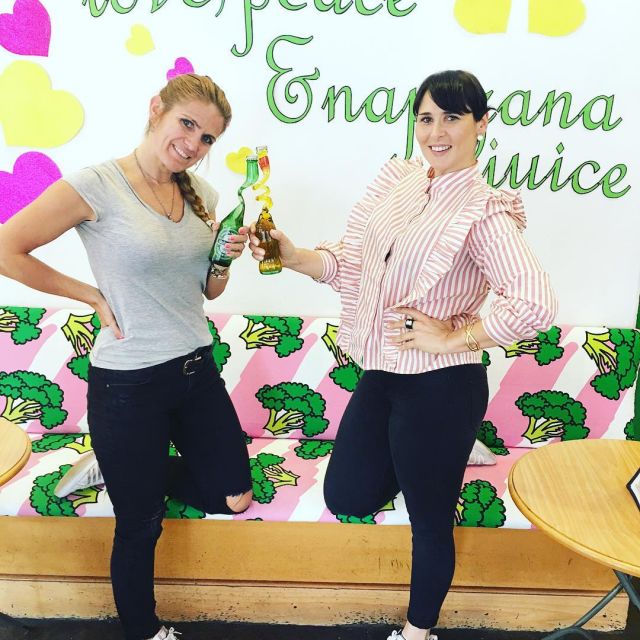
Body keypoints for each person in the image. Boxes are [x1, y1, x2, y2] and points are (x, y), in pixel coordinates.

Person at [250, 70, 557, 640]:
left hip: (442, 384)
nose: (436, 132)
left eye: (452, 117)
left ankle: (418, 631)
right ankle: (449, 450)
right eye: (425, 118)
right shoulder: (402, 185)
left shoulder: (484, 211)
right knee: (347, 495)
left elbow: (535, 303)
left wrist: (453, 337)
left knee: (429, 519)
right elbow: (352, 264)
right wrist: (293, 256)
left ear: (481, 125)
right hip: (384, 371)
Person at [0, 74, 253, 640]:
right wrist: (90, 296)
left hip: (196, 370)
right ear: (156, 109)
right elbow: (6, 248)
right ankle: (145, 629)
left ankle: (115, 466)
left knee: (234, 497)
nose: (193, 144)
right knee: (141, 524)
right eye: (187, 124)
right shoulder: (97, 184)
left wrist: (223, 260)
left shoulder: (203, 195)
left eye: (207, 138)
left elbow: (208, 291)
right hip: (128, 385)